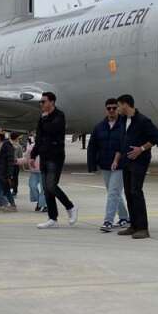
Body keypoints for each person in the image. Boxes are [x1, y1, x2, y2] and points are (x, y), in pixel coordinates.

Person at [114, 93, 158, 239]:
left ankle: (143, 228)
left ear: (125, 104)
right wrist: (117, 158)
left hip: (139, 162)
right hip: (126, 162)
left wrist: (141, 149)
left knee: (136, 191)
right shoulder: (122, 120)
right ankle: (133, 225)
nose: (117, 109)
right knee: (128, 192)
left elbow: (157, 137)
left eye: (118, 106)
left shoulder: (143, 120)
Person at [31, 92, 77, 229]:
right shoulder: (43, 118)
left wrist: (45, 118)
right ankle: (53, 218)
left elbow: (51, 130)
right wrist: (33, 155)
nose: (41, 104)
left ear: (52, 102)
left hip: (55, 157)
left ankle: (71, 207)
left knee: (51, 185)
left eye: (43, 101)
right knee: (46, 189)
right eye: (41, 102)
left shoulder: (59, 116)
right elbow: (39, 137)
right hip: (44, 157)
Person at [87, 98, 130, 233]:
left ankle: (108, 221)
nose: (111, 110)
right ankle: (124, 218)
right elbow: (92, 146)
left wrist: (119, 159)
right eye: (109, 108)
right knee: (114, 193)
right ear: (105, 110)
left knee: (113, 193)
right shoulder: (99, 127)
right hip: (105, 164)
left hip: (120, 164)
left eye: (114, 108)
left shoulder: (124, 125)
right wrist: (92, 165)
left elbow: (125, 144)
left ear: (118, 109)